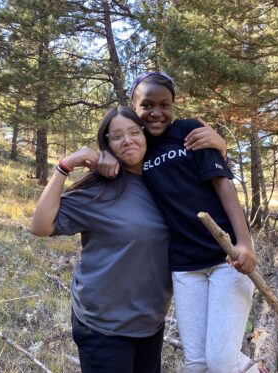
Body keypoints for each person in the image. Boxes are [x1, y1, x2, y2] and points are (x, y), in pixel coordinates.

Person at [99, 72, 259, 373]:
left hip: (226, 258)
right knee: (196, 363)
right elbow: (114, 146)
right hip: (184, 267)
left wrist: (245, 243)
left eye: (165, 104)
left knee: (222, 362)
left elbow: (223, 185)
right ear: (134, 105)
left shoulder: (190, 132)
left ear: (174, 106)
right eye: (147, 105)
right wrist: (105, 153)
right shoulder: (137, 148)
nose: (156, 112)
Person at [31, 107, 172, 373]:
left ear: (145, 134)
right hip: (103, 326)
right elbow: (40, 226)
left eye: (133, 132)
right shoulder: (99, 191)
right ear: (106, 143)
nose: (127, 140)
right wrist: (64, 166)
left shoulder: (164, 181)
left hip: (150, 322)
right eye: (117, 136)